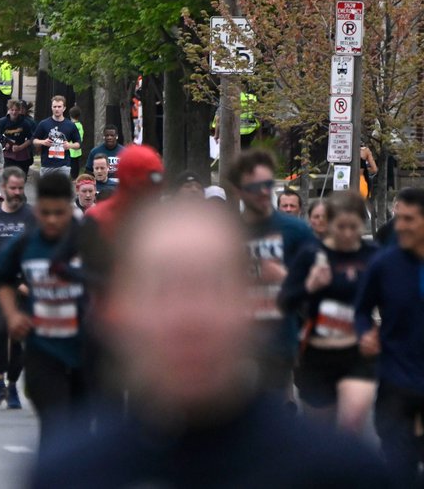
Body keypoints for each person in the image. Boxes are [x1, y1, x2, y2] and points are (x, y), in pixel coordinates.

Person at [30, 199, 390, 489]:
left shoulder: (343, 473)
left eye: (211, 287)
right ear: (121, 311)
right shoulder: (69, 474)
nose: (190, 319)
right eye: (163, 290)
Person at [0, 172, 86, 447]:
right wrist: (12, 315)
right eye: (46, 213)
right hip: (42, 347)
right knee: (52, 419)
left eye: (60, 213)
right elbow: (3, 280)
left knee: (81, 423)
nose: (53, 220)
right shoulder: (25, 244)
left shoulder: (89, 242)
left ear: (70, 208)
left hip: (85, 348)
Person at [278, 191, 377, 433]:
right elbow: (285, 302)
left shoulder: (372, 255)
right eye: (340, 227)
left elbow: (393, 299)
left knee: (350, 424)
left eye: (353, 227)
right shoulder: (311, 254)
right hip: (317, 354)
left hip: (356, 354)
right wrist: (309, 287)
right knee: (319, 433)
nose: (346, 234)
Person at [227, 149, 317, 394]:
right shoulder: (226, 233)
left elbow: (323, 286)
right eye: (255, 187)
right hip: (234, 348)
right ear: (238, 190)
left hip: (278, 345)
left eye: (268, 184)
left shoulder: (296, 231)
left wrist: (286, 279)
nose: (264, 192)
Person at [356, 187, 424, 487]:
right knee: (399, 463)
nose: (400, 226)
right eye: (400, 218)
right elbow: (360, 310)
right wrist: (365, 332)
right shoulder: (385, 264)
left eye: (409, 219)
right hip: (396, 377)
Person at [0, 166, 34, 409]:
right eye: (13, 188)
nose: (17, 193)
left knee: (17, 334)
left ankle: (12, 386)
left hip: (23, 282)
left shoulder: (31, 215)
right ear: (3, 187)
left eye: (21, 188)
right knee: (0, 329)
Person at [33, 95, 81, 176]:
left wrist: (70, 145)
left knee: (61, 189)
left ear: (64, 108)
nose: (57, 109)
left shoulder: (70, 125)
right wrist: (43, 142)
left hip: (63, 165)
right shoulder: (44, 124)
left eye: (59, 107)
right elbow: (34, 140)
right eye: (54, 106)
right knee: (46, 189)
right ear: (51, 107)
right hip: (47, 165)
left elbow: (78, 143)